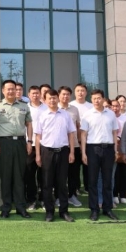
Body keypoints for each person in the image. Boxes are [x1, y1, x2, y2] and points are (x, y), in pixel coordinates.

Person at [0, 79, 33, 219]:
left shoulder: (24, 106)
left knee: (19, 176)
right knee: (5, 176)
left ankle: (21, 207)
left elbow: (29, 124)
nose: (11, 91)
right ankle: (5, 207)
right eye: (8, 89)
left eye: (13, 89)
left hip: (20, 143)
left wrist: (29, 141)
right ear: (3, 91)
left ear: (16, 90)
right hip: (4, 143)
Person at [35, 89, 76, 222]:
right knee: (47, 183)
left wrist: (71, 152)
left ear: (58, 99)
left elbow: (71, 134)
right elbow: (38, 136)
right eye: (49, 98)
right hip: (47, 152)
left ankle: (64, 211)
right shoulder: (42, 115)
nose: (52, 100)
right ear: (45, 100)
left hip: (63, 151)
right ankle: (49, 211)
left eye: (54, 98)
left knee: (62, 183)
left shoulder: (65, 115)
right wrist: (38, 155)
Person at [81, 89, 119, 221]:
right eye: (94, 99)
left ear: (103, 99)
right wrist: (83, 153)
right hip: (93, 149)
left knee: (107, 180)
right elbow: (83, 135)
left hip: (108, 149)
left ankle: (107, 208)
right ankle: (94, 209)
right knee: (92, 181)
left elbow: (114, 133)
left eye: (98, 98)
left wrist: (115, 150)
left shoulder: (111, 114)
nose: (96, 101)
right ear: (91, 100)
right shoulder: (87, 115)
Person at [58, 86, 82, 208]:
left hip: (74, 145)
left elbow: (78, 127)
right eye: (63, 94)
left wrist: (80, 142)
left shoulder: (74, 109)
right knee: (60, 173)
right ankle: (59, 196)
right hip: (59, 146)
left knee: (73, 173)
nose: (65, 96)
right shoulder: (54, 108)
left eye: (67, 94)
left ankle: (72, 195)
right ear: (59, 95)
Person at [25, 85, 47, 210]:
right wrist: (27, 142)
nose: (35, 95)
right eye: (33, 93)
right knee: (29, 174)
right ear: (29, 95)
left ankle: (44, 199)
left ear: (41, 94)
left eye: (37, 93)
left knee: (44, 174)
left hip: (44, 145)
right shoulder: (25, 108)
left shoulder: (46, 108)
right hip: (30, 145)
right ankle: (31, 200)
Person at [71, 83, 93, 194]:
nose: (80, 93)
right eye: (78, 90)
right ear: (74, 92)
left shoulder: (91, 106)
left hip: (89, 140)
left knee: (87, 165)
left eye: (82, 90)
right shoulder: (71, 106)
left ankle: (88, 187)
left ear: (86, 93)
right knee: (75, 166)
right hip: (74, 141)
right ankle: (76, 187)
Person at [111, 99, 126, 205]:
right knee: (115, 173)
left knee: (124, 173)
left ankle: (123, 194)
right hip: (112, 147)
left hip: (124, 147)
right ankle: (114, 194)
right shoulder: (108, 117)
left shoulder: (125, 118)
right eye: (113, 106)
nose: (115, 108)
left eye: (117, 106)